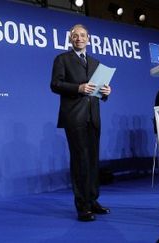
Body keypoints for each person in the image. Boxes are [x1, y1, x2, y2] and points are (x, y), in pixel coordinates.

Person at [50, 24, 112, 222]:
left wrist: (106, 93)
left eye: (82, 35)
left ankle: (93, 200)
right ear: (70, 39)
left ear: (88, 38)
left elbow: (98, 90)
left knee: (93, 161)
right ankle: (82, 207)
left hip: (93, 117)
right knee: (80, 162)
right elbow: (55, 84)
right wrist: (79, 88)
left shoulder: (95, 62)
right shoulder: (62, 59)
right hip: (74, 117)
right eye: (75, 36)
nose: (79, 38)